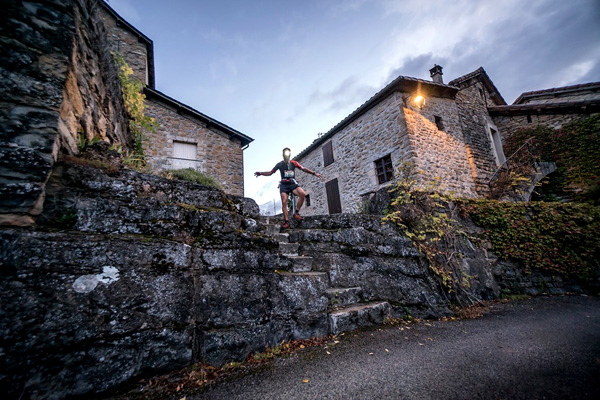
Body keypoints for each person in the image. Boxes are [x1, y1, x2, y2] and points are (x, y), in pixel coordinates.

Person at [255, 147, 322, 229]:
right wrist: (261, 173)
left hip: (292, 183)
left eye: (288, 154)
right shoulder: (279, 164)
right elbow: (270, 172)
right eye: (285, 154)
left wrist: (314, 173)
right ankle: (286, 222)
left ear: (290, 154)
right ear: (283, 155)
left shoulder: (294, 163)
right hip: (284, 185)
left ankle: (296, 213)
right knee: (284, 201)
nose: (286, 156)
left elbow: (303, 169)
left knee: (302, 193)